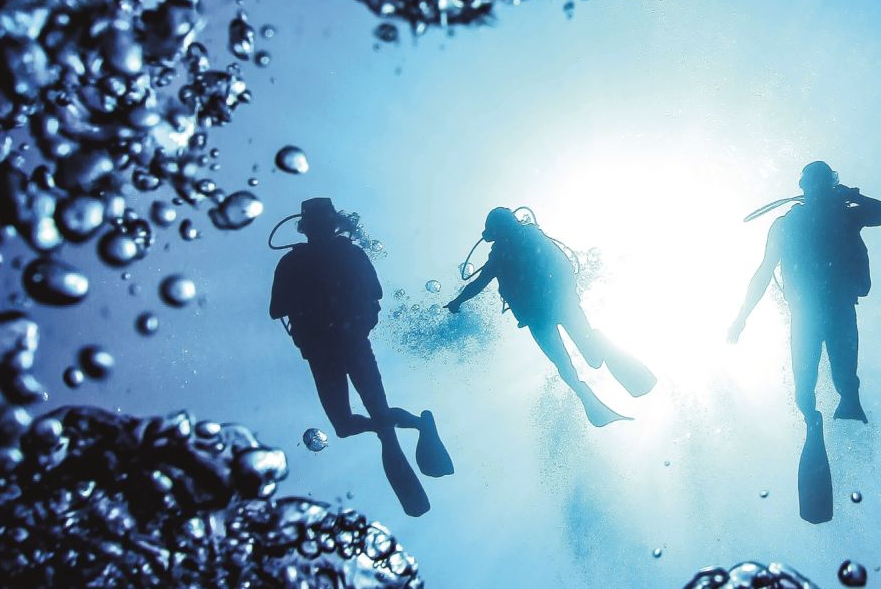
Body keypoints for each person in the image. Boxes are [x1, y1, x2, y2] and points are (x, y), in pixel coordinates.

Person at [269, 197, 452, 517]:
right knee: (350, 424)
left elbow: (276, 309)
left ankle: (395, 430)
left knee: (364, 423)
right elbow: (375, 292)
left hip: (335, 347)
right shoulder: (339, 254)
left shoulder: (297, 261)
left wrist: (309, 298)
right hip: (339, 345)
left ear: (306, 227)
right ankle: (415, 425)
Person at [444, 207, 656, 427]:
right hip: (551, 309)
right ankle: (592, 386)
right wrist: (458, 301)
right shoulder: (515, 245)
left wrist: (457, 301)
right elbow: (480, 283)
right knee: (576, 360)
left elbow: (480, 282)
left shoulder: (514, 246)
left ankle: (592, 379)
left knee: (576, 360)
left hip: (548, 310)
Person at [728, 161, 881, 425]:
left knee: (833, 380)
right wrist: (742, 316)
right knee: (812, 384)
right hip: (822, 309)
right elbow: (763, 272)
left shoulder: (841, 215)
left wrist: (854, 197)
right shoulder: (806, 221)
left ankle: (831, 411)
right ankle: (816, 418)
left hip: (824, 309)